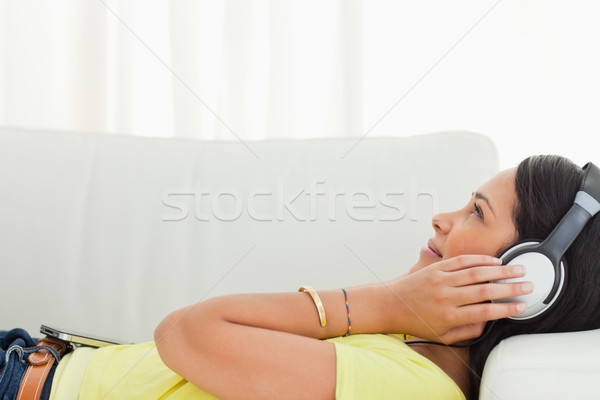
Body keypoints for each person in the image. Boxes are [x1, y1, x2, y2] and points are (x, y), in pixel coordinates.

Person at [3, 154, 600, 400]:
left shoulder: (414, 388)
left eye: (476, 212)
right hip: (32, 360)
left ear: (527, 277)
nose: (442, 218)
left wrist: (389, 302)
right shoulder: (408, 349)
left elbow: (182, 333)